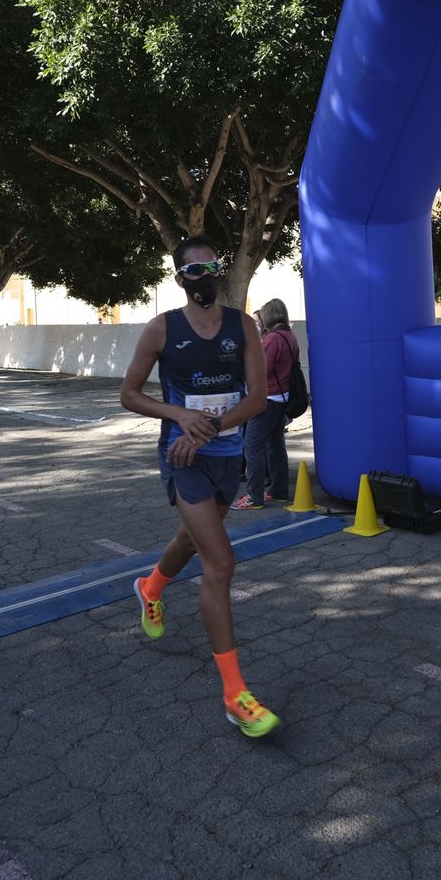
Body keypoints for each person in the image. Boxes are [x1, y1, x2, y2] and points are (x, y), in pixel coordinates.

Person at [120, 235, 280, 738]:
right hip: (180, 456)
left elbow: (257, 399)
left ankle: (150, 587)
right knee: (220, 561)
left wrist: (207, 426)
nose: (204, 276)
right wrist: (178, 416)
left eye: (211, 267)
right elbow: (129, 394)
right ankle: (235, 694)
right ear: (180, 279)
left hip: (225, 457)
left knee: (193, 539)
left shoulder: (244, 326)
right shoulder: (161, 329)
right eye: (194, 270)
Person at [232, 299, 297, 510]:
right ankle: (279, 491)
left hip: (267, 399)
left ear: (268, 316)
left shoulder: (273, 339)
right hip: (282, 399)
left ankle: (254, 496)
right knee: (275, 446)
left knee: (252, 445)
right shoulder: (290, 336)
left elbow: (260, 369)